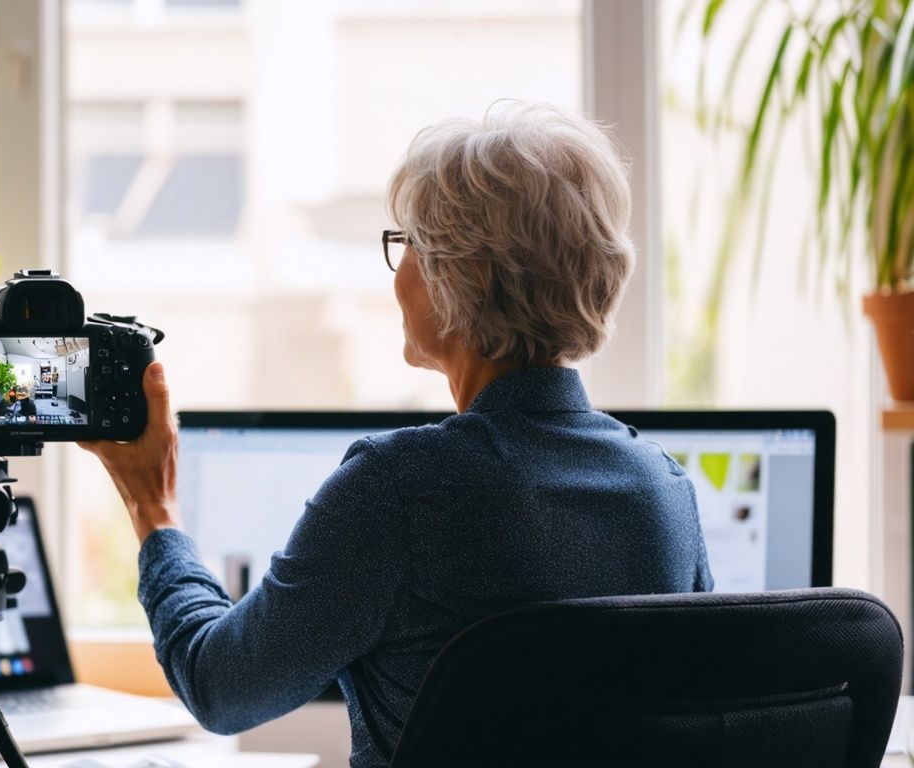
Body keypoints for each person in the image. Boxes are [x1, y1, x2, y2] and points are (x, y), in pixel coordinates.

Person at [79, 102, 712, 768]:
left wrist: (153, 507)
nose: (397, 273)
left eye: (406, 244)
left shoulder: (402, 490)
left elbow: (222, 686)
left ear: (458, 279)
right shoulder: (665, 491)